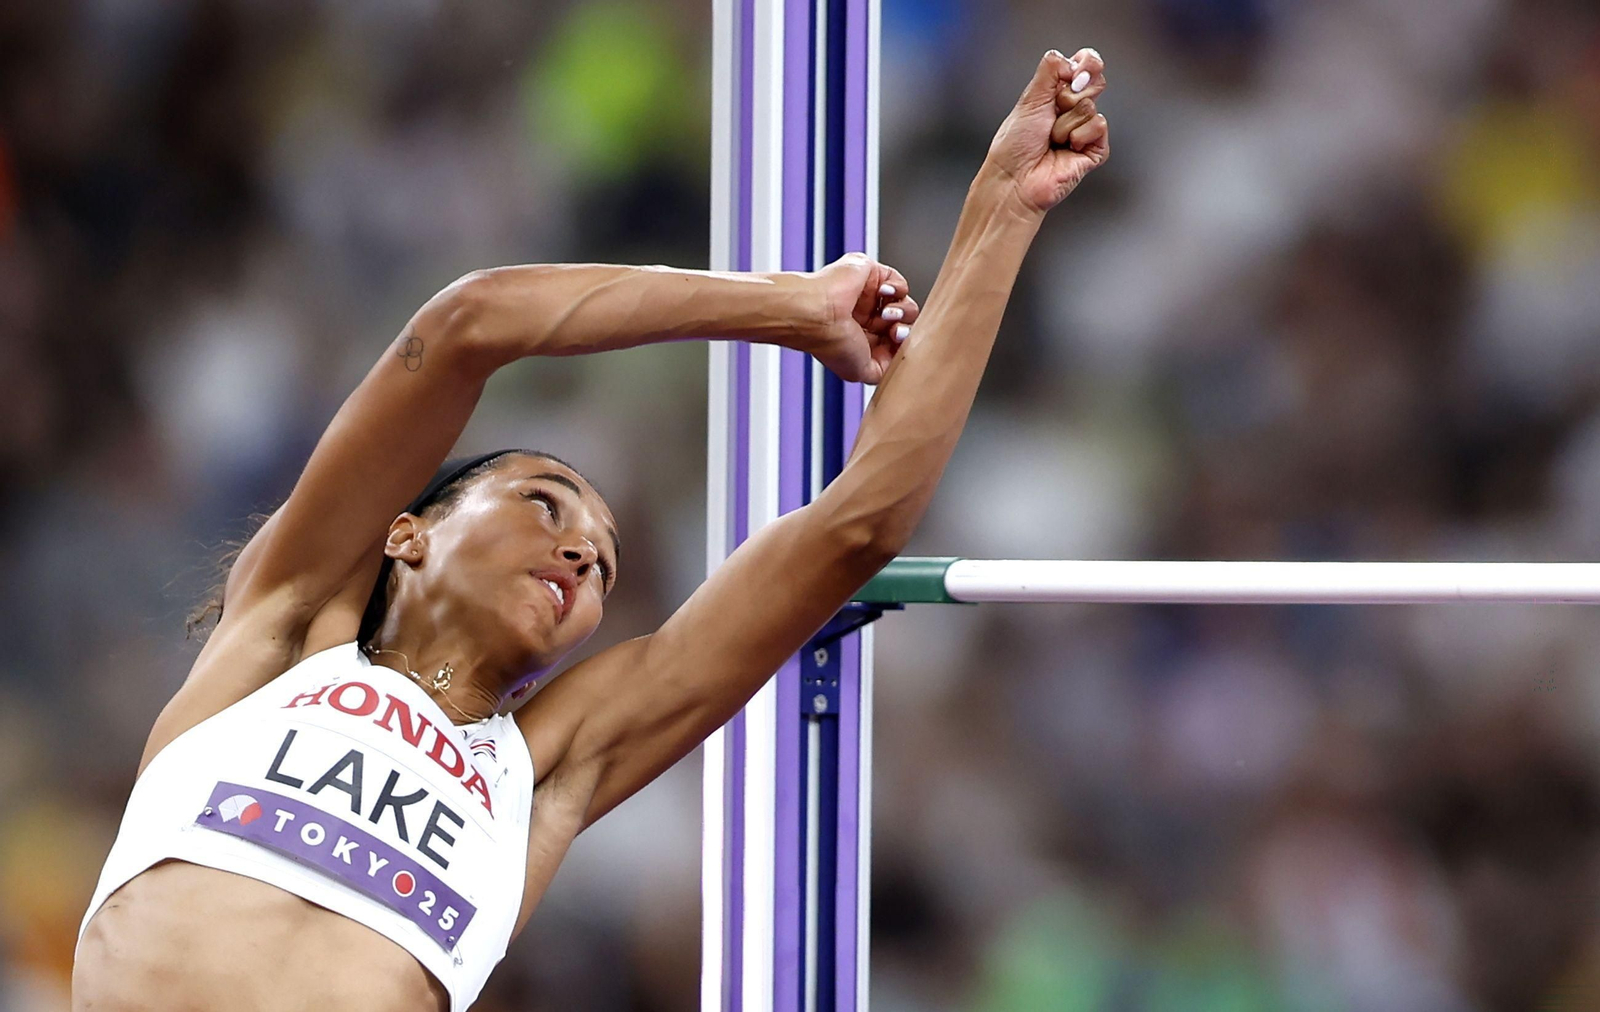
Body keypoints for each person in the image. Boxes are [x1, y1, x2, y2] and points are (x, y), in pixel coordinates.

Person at [71, 47, 1110, 1012]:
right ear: (408, 534)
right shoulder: (287, 630)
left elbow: (857, 525)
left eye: (605, 559)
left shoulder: (547, 765)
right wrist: (790, 308)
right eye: (542, 501)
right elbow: (471, 323)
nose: (581, 550)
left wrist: (1001, 209)